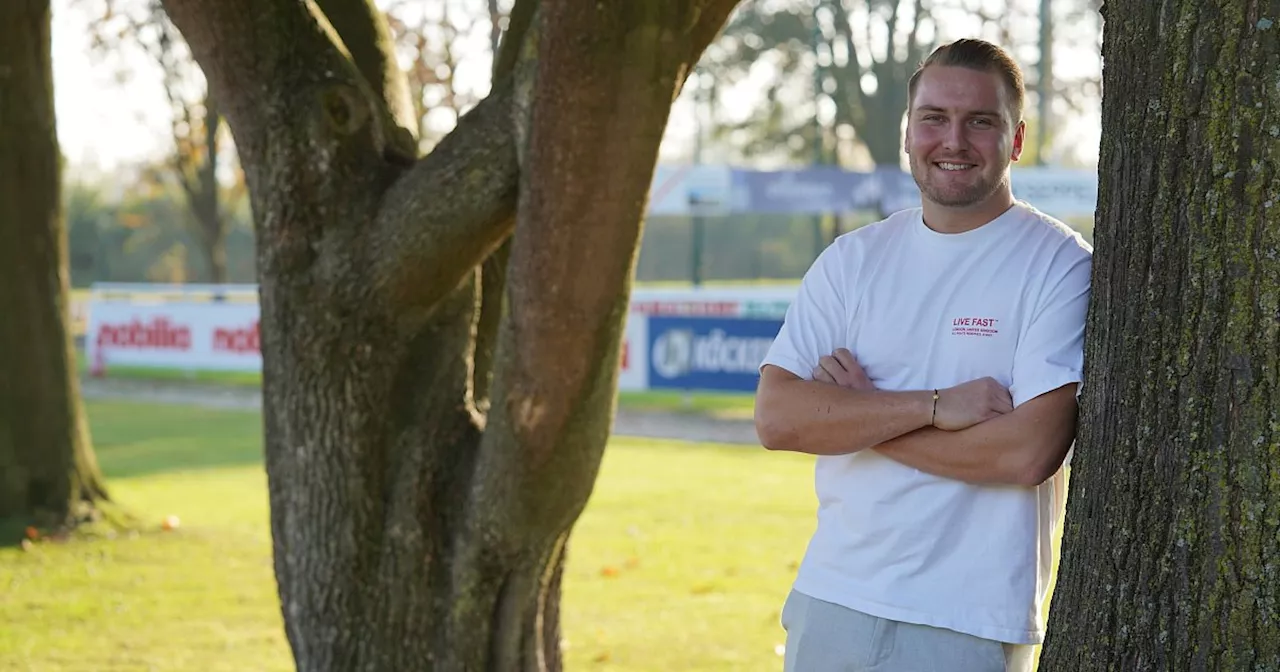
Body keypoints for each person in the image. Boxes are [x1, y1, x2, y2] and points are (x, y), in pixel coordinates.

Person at [754, 38, 1092, 672]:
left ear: (1016, 140)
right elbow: (778, 418)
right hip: (834, 600)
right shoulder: (853, 261)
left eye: (980, 122)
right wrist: (936, 407)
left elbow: (1025, 454)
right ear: (910, 132)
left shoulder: (1058, 266)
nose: (954, 140)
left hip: (968, 621)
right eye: (934, 118)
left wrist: (859, 418)